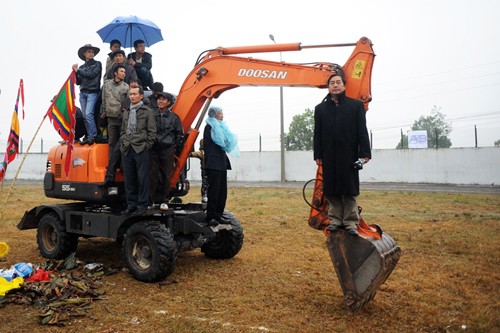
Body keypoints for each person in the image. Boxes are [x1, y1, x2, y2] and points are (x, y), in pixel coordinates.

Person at [313, 71, 371, 236]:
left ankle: (350, 222)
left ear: (344, 86)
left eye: (338, 82)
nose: (335, 85)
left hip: (350, 155)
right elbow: (317, 133)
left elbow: (362, 132)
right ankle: (335, 221)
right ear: (328, 87)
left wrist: (364, 154)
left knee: (349, 191)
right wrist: (318, 154)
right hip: (329, 155)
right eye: (332, 83)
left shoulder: (355, 106)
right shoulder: (320, 109)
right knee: (332, 190)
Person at [120, 86, 156, 216]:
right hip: (127, 149)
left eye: (134, 94)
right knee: (129, 179)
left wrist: (147, 145)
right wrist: (124, 141)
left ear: (141, 96)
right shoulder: (126, 111)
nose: (132, 96)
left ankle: (142, 205)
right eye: (130, 94)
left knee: (142, 179)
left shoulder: (147, 112)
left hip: (141, 148)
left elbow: (152, 132)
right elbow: (123, 130)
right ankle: (131, 205)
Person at [203, 106, 239, 226]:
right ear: (214, 114)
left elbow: (227, 142)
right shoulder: (210, 127)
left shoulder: (220, 127)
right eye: (220, 113)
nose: (222, 115)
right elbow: (220, 141)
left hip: (222, 163)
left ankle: (218, 215)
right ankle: (211, 217)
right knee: (214, 191)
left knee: (222, 192)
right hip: (213, 164)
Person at [149, 92, 184, 210]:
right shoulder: (152, 115)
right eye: (159, 99)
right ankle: (152, 200)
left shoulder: (174, 118)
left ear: (169, 102)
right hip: (153, 149)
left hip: (167, 150)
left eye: (163, 99)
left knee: (166, 175)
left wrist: (173, 146)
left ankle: (165, 200)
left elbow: (180, 134)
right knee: (152, 175)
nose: (160, 101)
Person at [101, 64, 129, 185]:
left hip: (122, 119)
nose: (124, 73)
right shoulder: (106, 85)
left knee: (122, 142)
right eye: (122, 71)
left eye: (124, 71)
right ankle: (112, 165)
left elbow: (128, 102)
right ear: (115, 73)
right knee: (112, 142)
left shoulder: (126, 86)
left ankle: (122, 165)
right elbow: (104, 99)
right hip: (110, 118)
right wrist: (104, 111)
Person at [72, 44, 102, 145]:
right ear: (84, 53)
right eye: (89, 52)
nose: (91, 53)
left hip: (93, 92)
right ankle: (89, 136)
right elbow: (78, 82)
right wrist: (75, 73)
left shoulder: (97, 64)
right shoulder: (81, 67)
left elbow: (92, 75)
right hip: (83, 93)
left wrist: (78, 71)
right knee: (85, 116)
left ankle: (93, 135)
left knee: (89, 114)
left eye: (92, 52)